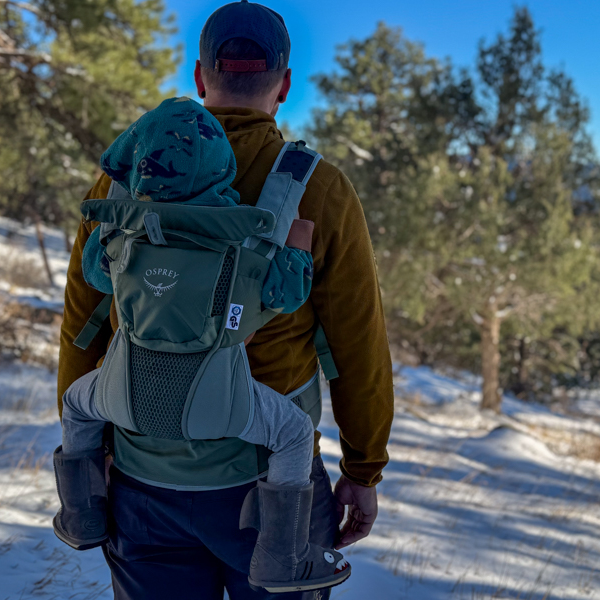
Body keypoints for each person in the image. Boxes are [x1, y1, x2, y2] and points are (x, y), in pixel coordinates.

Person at [57, 2, 394, 598]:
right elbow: (356, 343)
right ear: (284, 84)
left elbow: (84, 328)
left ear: (198, 78)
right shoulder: (320, 188)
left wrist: (91, 462)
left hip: (140, 474)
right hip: (269, 491)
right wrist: (363, 468)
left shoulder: (122, 183)